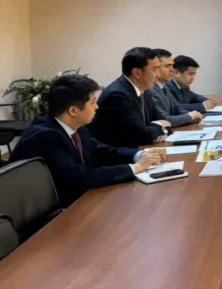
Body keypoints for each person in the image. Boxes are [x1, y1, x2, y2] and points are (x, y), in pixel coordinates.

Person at [11, 74, 166, 207]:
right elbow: (81, 177)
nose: (97, 106)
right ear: (73, 110)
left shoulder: (75, 126)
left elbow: (101, 150)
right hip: (50, 213)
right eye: (92, 102)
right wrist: (136, 168)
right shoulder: (46, 136)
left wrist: (140, 155)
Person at [89, 47, 171, 148]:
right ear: (137, 73)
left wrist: (160, 129)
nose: (158, 75)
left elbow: (163, 120)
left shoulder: (144, 89)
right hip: (120, 153)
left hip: (142, 148)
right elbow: (141, 135)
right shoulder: (117, 95)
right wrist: (160, 128)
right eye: (155, 70)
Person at [149, 49, 203, 128]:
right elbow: (165, 118)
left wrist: (190, 114)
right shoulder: (150, 90)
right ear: (156, 68)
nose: (172, 70)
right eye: (167, 66)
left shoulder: (164, 86)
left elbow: (177, 107)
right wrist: (190, 117)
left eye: (172, 65)